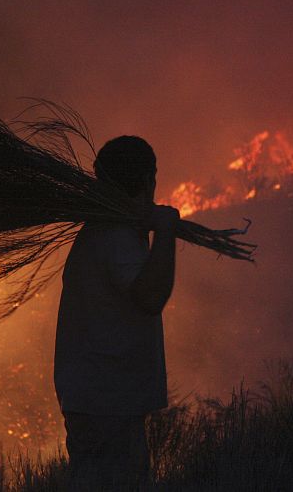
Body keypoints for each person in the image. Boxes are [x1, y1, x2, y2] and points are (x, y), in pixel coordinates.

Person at [53, 135, 179, 488]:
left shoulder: (102, 231)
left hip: (98, 400)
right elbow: (150, 297)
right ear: (147, 181)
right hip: (108, 404)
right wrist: (166, 233)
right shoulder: (117, 236)